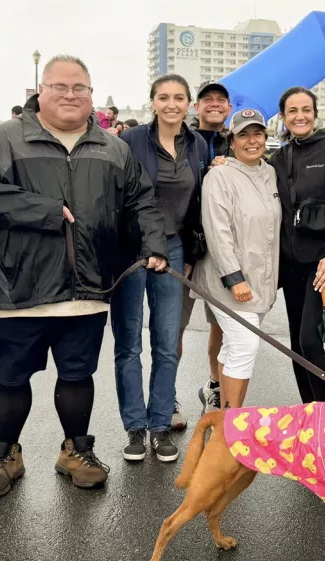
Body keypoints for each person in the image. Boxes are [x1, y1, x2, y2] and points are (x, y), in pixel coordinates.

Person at [0, 55, 167, 499]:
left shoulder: (113, 147)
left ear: (92, 94)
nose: (70, 95)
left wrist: (154, 243)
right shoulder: (5, 139)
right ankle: (6, 455)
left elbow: (141, 202)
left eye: (80, 88)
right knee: (12, 379)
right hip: (18, 286)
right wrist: (45, 212)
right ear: (41, 90)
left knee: (77, 376)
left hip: (89, 287)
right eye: (60, 87)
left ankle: (76, 451)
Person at [116, 74, 209, 462]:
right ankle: (135, 427)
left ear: (188, 104)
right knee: (130, 342)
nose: (171, 104)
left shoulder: (197, 143)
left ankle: (160, 424)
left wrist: (189, 251)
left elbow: (198, 202)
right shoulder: (130, 141)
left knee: (167, 342)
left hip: (172, 248)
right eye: (163, 97)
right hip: (132, 248)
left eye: (179, 98)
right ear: (152, 101)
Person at [270, 86, 325, 404]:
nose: (300, 116)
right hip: (291, 263)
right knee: (297, 342)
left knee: (311, 339)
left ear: (315, 112)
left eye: (306, 109)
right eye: (292, 111)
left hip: (324, 263)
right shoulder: (279, 157)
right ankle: (310, 412)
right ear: (283, 117)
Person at [190, 108, 280, 410]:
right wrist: (234, 277)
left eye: (257, 133)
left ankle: (220, 408)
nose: (251, 140)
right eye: (244, 134)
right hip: (227, 282)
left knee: (234, 346)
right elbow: (217, 230)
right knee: (244, 344)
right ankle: (233, 421)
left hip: (260, 281)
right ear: (232, 140)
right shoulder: (220, 175)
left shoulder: (270, 172)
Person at [182, 80, 233, 414]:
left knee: (221, 325)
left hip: (221, 253)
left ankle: (214, 386)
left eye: (221, 100)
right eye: (207, 99)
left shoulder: (239, 140)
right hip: (185, 248)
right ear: (196, 107)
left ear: (228, 108)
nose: (214, 104)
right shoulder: (181, 140)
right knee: (173, 327)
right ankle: (165, 398)